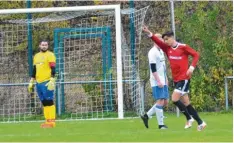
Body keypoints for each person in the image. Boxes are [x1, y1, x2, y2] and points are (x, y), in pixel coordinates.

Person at [142, 25, 207, 131]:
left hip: (184, 79)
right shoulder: (167, 49)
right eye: (164, 40)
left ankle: (189, 117)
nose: (165, 41)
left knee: (174, 99)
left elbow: (196, 55)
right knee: (186, 103)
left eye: (167, 39)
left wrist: (191, 67)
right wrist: (149, 32)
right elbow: (157, 41)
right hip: (177, 79)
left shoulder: (183, 47)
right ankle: (200, 122)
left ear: (172, 38)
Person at [141, 33, 169, 130]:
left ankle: (146, 116)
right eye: (159, 38)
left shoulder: (161, 51)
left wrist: (166, 79)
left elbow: (163, 67)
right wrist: (158, 81)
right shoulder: (152, 52)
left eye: (162, 38)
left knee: (165, 101)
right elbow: (153, 69)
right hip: (156, 80)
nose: (161, 40)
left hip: (163, 79)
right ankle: (161, 125)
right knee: (160, 101)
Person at [28, 40, 56, 128]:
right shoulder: (36, 56)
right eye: (43, 45)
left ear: (47, 46)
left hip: (47, 81)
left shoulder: (50, 55)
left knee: (49, 100)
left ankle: (52, 122)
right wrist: (32, 81)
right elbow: (34, 69)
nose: (44, 46)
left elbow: (53, 67)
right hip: (38, 82)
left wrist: (52, 79)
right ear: (39, 46)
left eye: (46, 45)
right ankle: (47, 121)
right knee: (44, 101)